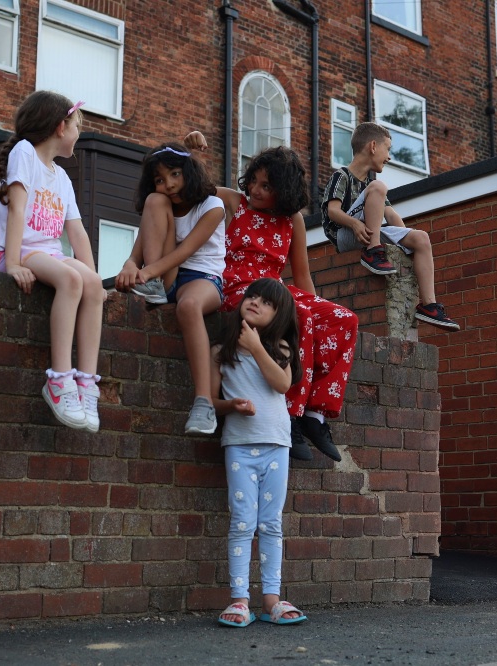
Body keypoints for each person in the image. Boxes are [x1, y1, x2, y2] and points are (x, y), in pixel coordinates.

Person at [185, 131, 357, 463]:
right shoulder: (235, 202)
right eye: (254, 181)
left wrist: (318, 310)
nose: (255, 190)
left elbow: (303, 277)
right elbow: (194, 191)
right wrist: (192, 155)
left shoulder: (292, 220)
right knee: (299, 316)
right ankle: (290, 414)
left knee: (343, 318)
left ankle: (315, 415)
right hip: (238, 291)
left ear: (284, 192)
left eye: (266, 186)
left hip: (279, 293)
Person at [0, 90, 104, 432]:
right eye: (77, 125)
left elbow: (77, 234)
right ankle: (59, 380)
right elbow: (18, 209)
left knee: (92, 285)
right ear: (60, 127)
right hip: (20, 250)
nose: (79, 133)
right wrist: (11, 264)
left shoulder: (62, 177)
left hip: (48, 253)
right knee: (71, 281)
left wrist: (95, 282)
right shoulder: (25, 153)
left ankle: (86, 384)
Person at [211, 277, 308, 628]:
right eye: (252, 296)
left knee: (270, 523)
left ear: (279, 314)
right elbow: (211, 401)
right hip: (238, 444)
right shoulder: (221, 350)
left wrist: (255, 346)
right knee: (241, 522)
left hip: (276, 445)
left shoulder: (279, 347)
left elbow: (282, 384)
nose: (255, 302)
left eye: (266, 302)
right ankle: (239, 599)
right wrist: (231, 404)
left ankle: (271, 599)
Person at [114, 144, 226, 435]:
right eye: (160, 179)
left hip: (203, 278)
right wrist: (129, 265)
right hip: (162, 276)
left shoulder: (212, 206)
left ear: (189, 170)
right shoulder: (159, 203)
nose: (169, 184)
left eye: (175, 174)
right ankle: (153, 288)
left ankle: (203, 404)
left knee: (188, 307)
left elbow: (185, 251)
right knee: (154, 202)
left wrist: (147, 271)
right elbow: (137, 251)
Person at [321, 122, 460, 331]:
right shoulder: (342, 176)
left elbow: (391, 215)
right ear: (373, 146)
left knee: (421, 238)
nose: (389, 157)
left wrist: (406, 242)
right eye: (388, 149)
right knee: (377, 187)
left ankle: (429, 306)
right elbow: (332, 211)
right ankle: (373, 252)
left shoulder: (371, 186)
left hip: (366, 232)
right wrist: (355, 224)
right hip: (345, 235)